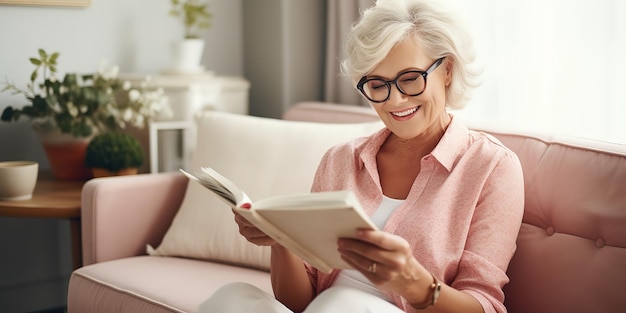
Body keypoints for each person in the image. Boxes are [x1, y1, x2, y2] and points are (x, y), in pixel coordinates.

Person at [199, 0, 524, 312]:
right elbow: (298, 303)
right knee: (232, 298)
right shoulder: (341, 160)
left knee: (342, 305)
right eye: (377, 84)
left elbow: (482, 305)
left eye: (410, 79)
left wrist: (414, 283)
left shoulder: (492, 167)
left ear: (448, 70)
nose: (395, 100)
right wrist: (282, 241)